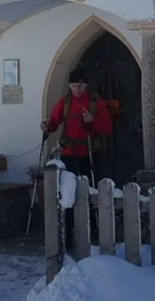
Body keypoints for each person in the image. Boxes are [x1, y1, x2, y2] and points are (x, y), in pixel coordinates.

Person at [42, 66, 112, 246]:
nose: (76, 90)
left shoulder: (96, 103)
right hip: (68, 154)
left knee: (90, 193)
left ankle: (93, 230)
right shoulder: (64, 102)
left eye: (79, 86)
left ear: (85, 85)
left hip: (90, 154)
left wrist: (92, 120)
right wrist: (47, 127)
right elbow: (54, 121)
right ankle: (69, 233)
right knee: (68, 194)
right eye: (73, 86)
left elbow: (107, 127)